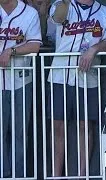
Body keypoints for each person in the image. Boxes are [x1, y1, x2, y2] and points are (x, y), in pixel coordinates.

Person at [48, 0, 106, 176]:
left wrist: (94, 49)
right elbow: (58, 17)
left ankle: (82, 175)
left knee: (85, 127)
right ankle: (56, 175)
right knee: (58, 126)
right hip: (60, 74)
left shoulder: (104, 11)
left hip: (88, 76)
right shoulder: (62, 4)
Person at [0, 0, 41, 177]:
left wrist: (11, 51)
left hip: (20, 81)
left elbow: (35, 45)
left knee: (19, 134)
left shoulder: (29, 13)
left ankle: (18, 175)